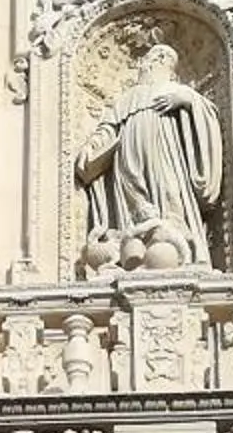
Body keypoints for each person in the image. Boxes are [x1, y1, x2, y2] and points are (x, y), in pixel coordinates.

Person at [77, 43, 222, 269]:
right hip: (127, 156)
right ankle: (133, 247)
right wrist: (92, 146)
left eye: (146, 61)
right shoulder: (128, 97)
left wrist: (185, 100)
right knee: (133, 198)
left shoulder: (176, 89)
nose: (142, 66)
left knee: (169, 191)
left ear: (160, 60)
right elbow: (108, 128)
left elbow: (207, 113)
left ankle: (174, 246)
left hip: (164, 150)